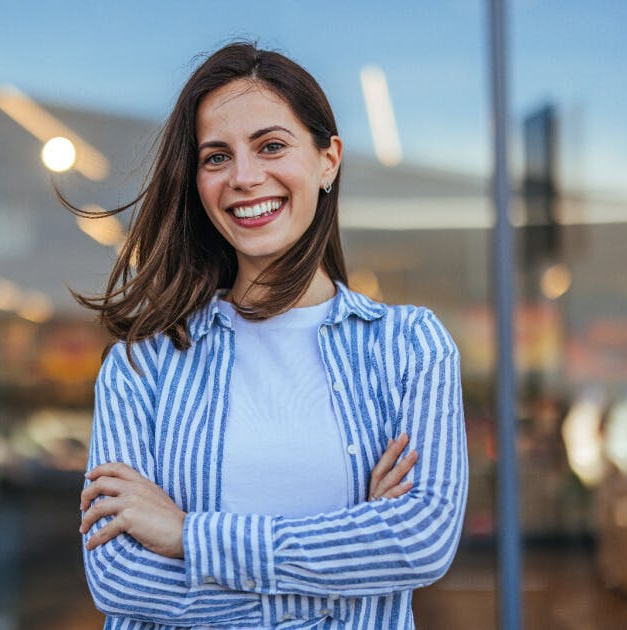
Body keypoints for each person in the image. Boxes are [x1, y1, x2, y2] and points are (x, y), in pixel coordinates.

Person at [65, 42, 468, 629]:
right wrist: (349, 570)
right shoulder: (142, 364)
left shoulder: (409, 348)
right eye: (216, 157)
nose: (245, 178)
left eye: (271, 146)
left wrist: (188, 535)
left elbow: (421, 542)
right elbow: (120, 578)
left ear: (328, 158)